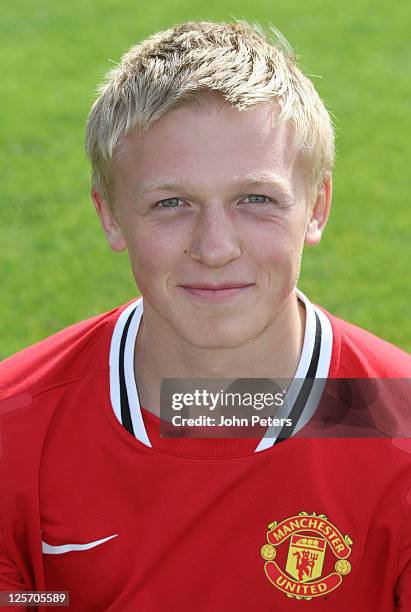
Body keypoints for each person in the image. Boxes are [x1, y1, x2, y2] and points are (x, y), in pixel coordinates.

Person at [0, 20, 410, 611]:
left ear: (316, 207)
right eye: (171, 203)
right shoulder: (17, 429)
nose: (215, 248)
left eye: (255, 200)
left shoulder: (397, 429)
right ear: (110, 214)